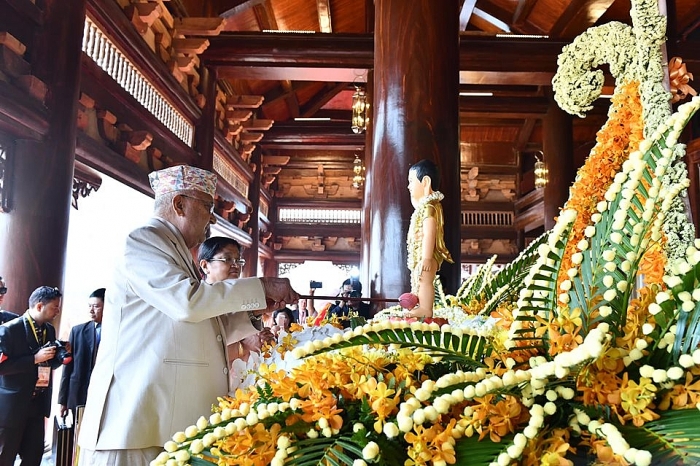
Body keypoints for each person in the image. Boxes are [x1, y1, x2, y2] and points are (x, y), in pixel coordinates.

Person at [77, 165, 299, 466]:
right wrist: (260, 286)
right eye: (207, 206)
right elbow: (187, 304)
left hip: (163, 419)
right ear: (179, 204)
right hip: (134, 417)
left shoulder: (176, 249)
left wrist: (256, 310)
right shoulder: (144, 240)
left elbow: (204, 326)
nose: (212, 217)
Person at [0, 286, 63, 466]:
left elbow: (47, 365)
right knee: (5, 458)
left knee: (33, 458)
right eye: (55, 307)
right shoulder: (9, 330)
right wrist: (34, 359)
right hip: (12, 408)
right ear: (39, 306)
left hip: (37, 405)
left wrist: (59, 357)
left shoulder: (49, 330)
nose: (58, 311)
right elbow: (2, 367)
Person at [197, 237, 274, 377]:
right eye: (227, 259)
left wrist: (263, 339)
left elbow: (253, 343)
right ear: (205, 265)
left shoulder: (245, 299)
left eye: (238, 260)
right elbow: (200, 349)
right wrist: (243, 348)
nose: (236, 265)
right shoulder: (197, 301)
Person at [406, 159, 453, 318]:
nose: (409, 186)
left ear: (425, 182)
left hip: (427, 256)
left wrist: (426, 257)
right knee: (419, 281)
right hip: (420, 255)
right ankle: (420, 306)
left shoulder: (430, 207)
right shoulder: (425, 206)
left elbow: (429, 232)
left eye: (411, 181)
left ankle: (426, 309)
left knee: (425, 281)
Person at [58, 288, 105, 418]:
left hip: (102, 393)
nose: (91, 310)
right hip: (77, 392)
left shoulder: (117, 332)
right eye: (89, 306)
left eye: (96, 306)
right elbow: (68, 366)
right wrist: (63, 400)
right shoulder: (77, 331)